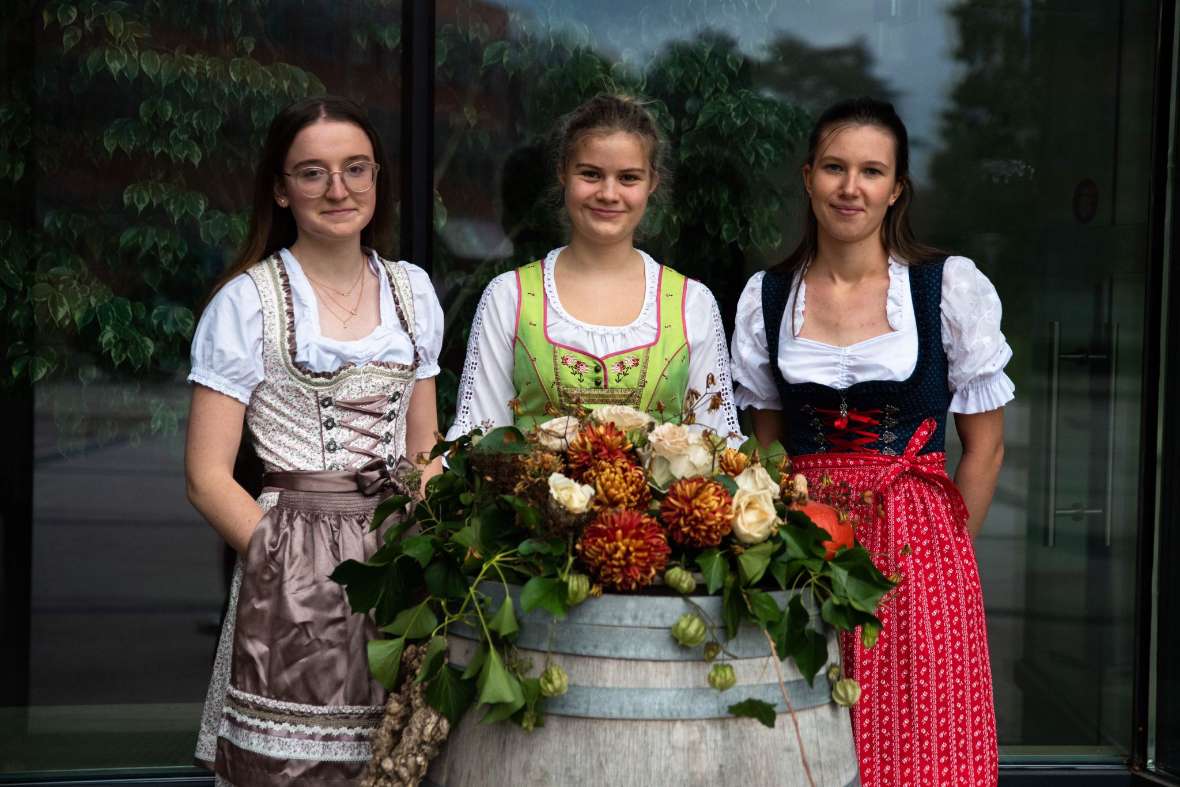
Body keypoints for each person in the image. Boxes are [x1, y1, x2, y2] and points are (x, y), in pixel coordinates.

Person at [730, 97, 1010, 786]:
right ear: (807, 178)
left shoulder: (947, 288)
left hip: (918, 553)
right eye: (834, 167)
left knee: (921, 748)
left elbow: (986, 447)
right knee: (805, 738)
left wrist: (943, 549)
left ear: (896, 189)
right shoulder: (768, 297)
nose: (850, 186)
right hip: (803, 550)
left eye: (871, 171)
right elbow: (766, 455)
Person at [185, 96, 444, 786]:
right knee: (295, 768)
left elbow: (426, 444)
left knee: (400, 754)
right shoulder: (246, 301)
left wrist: (425, 541)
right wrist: (281, 557)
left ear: (377, 177)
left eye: (356, 168)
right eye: (313, 173)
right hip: (292, 564)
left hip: (399, 556)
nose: (339, 189)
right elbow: (207, 476)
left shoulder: (412, 291)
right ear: (280, 187)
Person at [446, 93, 739, 440]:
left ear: (652, 183)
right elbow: (481, 437)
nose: (608, 193)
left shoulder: (692, 303)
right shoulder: (510, 297)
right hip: (529, 497)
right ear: (563, 174)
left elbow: (715, 443)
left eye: (629, 178)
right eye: (591, 174)